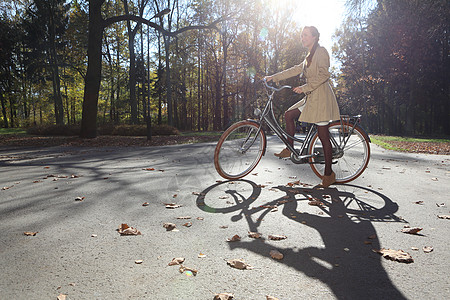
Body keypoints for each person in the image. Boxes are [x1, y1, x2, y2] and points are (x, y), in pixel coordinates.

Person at [264, 26, 340, 187]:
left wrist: (304, 88)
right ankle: (289, 148)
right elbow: (294, 70)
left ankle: (328, 174)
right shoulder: (307, 57)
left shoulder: (321, 52)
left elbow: (324, 74)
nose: (302, 37)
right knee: (289, 114)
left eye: (305, 35)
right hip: (311, 97)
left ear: (314, 37)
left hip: (321, 99)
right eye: (301, 35)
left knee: (323, 136)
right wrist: (274, 77)